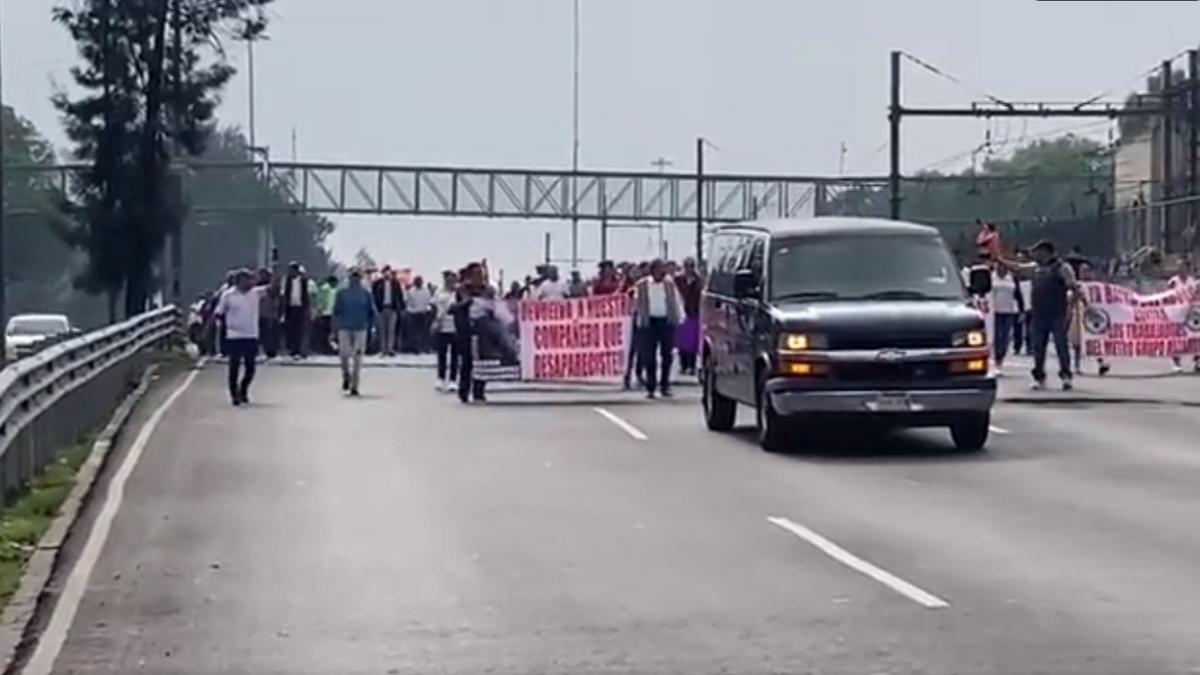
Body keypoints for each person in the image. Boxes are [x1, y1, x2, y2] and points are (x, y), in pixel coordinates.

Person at [1006, 241, 1085, 391]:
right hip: (1038, 314)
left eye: (1036, 251)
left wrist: (1071, 306)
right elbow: (1017, 268)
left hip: (1057, 314)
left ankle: (1066, 376)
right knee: (1038, 348)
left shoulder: (1062, 267)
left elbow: (1073, 287)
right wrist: (998, 258)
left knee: (1061, 347)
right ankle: (1039, 376)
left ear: (1045, 252)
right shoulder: (1035, 267)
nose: (1034, 254)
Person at [214, 269, 265, 406]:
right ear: (238, 281)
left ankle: (243, 389)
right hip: (234, 335)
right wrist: (219, 327)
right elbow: (219, 312)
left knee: (250, 367)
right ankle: (234, 394)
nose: (249, 282)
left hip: (251, 334)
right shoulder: (228, 295)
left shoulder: (255, 293)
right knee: (234, 366)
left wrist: (275, 266)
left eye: (250, 279)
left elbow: (273, 289)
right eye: (246, 280)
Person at [634, 259, 683, 399]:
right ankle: (651, 387)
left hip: (666, 322)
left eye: (662, 269)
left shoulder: (669, 284)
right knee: (649, 356)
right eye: (657, 269)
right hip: (649, 322)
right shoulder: (642, 285)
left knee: (667, 355)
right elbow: (636, 303)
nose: (660, 272)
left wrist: (678, 318)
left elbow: (676, 301)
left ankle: (665, 385)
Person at [332, 268, 376, 396]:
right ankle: (346, 376)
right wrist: (333, 330)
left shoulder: (366, 294)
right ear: (349, 278)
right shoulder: (342, 293)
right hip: (344, 327)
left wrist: (373, 329)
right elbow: (336, 312)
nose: (355, 279)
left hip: (361, 328)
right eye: (353, 276)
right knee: (344, 355)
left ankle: (355, 385)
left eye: (357, 277)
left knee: (358, 357)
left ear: (360, 279)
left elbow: (372, 312)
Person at [452, 263, 491, 403]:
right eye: (475, 274)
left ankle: (479, 391)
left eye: (480, 274)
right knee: (467, 363)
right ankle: (464, 391)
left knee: (482, 362)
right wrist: (467, 302)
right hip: (466, 331)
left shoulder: (487, 290)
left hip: (483, 331)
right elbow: (454, 308)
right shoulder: (462, 290)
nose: (478, 277)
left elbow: (495, 306)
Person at [1167, 259, 1200, 373]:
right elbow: (1166, 297)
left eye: (1182, 266)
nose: (1179, 269)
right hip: (1177, 314)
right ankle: (1177, 363)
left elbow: (1196, 296)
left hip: (1191, 315)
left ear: (1187, 267)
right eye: (1178, 266)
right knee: (1176, 339)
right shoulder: (1173, 282)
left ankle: (1197, 362)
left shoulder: (1193, 282)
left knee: (1195, 337)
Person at [990, 262, 1023, 376]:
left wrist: (1021, 310)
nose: (1001, 269)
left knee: (1005, 338)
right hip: (995, 311)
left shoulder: (1011, 279)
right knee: (997, 337)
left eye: (1003, 267)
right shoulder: (992, 278)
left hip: (1009, 311)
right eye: (999, 267)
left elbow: (1018, 295)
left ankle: (1001, 360)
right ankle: (996, 362)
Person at [674, 257, 703, 375]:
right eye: (687, 266)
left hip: (694, 313)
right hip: (681, 312)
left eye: (691, 266)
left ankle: (692, 365)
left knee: (693, 342)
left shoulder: (698, 280)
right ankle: (683, 364)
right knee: (682, 341)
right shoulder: (678, 279)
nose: (689, 268)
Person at [432, 270, 461, 391]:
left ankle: (453, 380)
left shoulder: (458, 293)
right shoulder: (439, 292)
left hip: (455, 326)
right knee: (442, 354)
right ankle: (441, 378)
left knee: (455, 355)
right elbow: (434, 306)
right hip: (442, 325)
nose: (449, 282)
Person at [280, 262, 310, 359]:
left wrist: (308, 308)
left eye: (292, 270)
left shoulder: (304, 281)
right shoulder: (287, 280)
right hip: (290, 307)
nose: (290, 272)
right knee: (290, 329)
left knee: (300, 330)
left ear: (297, 271)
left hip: (300, 307)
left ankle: (298, 350)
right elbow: (283, 294)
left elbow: (307, 295)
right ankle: (291, 349)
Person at [372, 266, 404, 356]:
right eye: (385, 272)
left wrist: (399, 308)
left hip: (392, 308)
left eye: (388, 272)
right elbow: (374, 296)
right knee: (382, 329)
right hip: (381, 309)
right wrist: (376, 307)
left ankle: (390, 349)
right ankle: (383, 349)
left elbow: (399, 296)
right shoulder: (377, 283)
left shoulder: (395, 283)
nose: (387, 274)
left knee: (391, 329)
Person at [256, 268, 280, 360]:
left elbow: (274, 293)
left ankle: (270, 352)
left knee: (269, 334)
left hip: (270, 313)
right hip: (258, 313)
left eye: (264, 274)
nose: (262, 276)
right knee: (259, 333)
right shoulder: (256, 285)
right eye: (261, 274)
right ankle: (258, 351)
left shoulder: (272, 288)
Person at [405, 276, 433, 353]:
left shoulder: (426, 291)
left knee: (425, 331)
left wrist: (427, 310)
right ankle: (415, 348)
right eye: (417, 281)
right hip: (414, 313)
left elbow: (429, 301)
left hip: (424, 313)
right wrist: (410, 310)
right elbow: (408, 303)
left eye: (420, 281)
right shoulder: (411, 291)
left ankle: (425, 347)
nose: (418, 283)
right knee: (414, 332)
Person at [313, 275, 338, 355]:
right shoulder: (326, 289)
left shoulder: (330, 289)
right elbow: (321, 301)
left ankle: (327, 348)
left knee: (326, 333)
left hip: (328, 313)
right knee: (327, 332)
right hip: (326, 314)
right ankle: (326, 348)